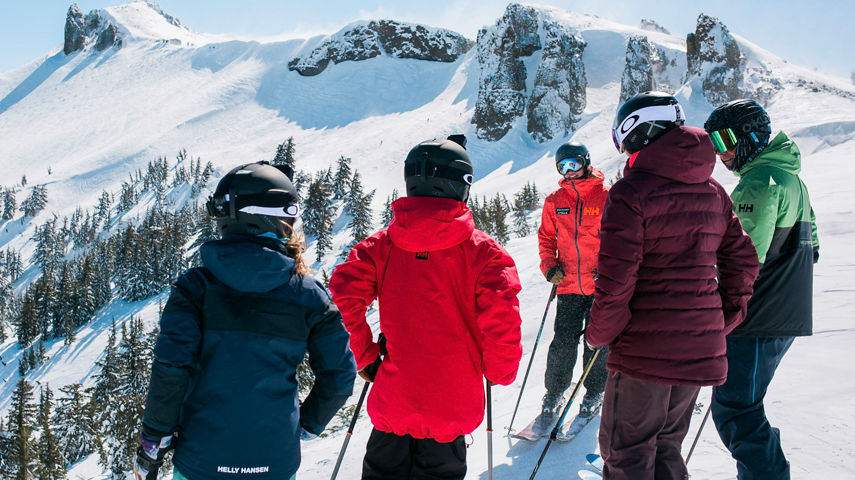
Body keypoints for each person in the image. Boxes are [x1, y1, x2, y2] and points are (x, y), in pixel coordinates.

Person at [134, 162, 357, 480]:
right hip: (275, 461)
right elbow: (339, 375)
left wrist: (154, 440)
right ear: (279, 218)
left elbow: (171, 370)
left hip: (201, 461)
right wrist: (306, 425)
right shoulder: (309, 294)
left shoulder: (194, 288)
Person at [585, 91, 759, 480]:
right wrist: (720, 320)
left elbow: (616, 282)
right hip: (698, 350)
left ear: (637, 131)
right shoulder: (713, 190)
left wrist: (599, 333)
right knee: (666, 449)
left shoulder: (631, 193)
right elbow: (744, 259)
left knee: (627, 455)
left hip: (644, 353)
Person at [329, 135, 523, 480]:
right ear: (461, 184)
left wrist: (366, 355)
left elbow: (343, 299)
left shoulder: (381, 246)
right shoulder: (486, 254)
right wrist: (498, 372)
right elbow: (502, 322)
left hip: (394, 400)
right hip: (451, 407)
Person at [705, 99, 819, 480]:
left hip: (758, 317)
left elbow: (741, 257)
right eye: (713, 143)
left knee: (736, 408)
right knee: (744, 405)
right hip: (785, 313)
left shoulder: (759, 182)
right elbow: (812, 245)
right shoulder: (790, 178)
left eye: (725, 139)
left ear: (751, 135)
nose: (721, 152)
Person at [536, 142, 609, 428]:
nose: (569, 172)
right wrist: (549, 266)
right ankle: (554, 392)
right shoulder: (555, 200)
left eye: (574, 165)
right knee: (562, 343)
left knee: (597, 343)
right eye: (563, 166)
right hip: (566, 285)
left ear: (586, 163)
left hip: (598, 286)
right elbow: (546, 239)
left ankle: (594, 392)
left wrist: (610, 270)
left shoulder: (606, 197)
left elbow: (618, 237)